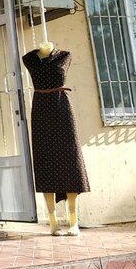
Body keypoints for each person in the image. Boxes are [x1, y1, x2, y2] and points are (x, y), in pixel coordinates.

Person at [21, 41, 90, 236]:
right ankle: (53, 222)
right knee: (46, 163)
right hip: (41, 110)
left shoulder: (64, 56)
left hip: (62, 108)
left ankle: (73, 222)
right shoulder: (29, 59)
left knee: (70, 161)